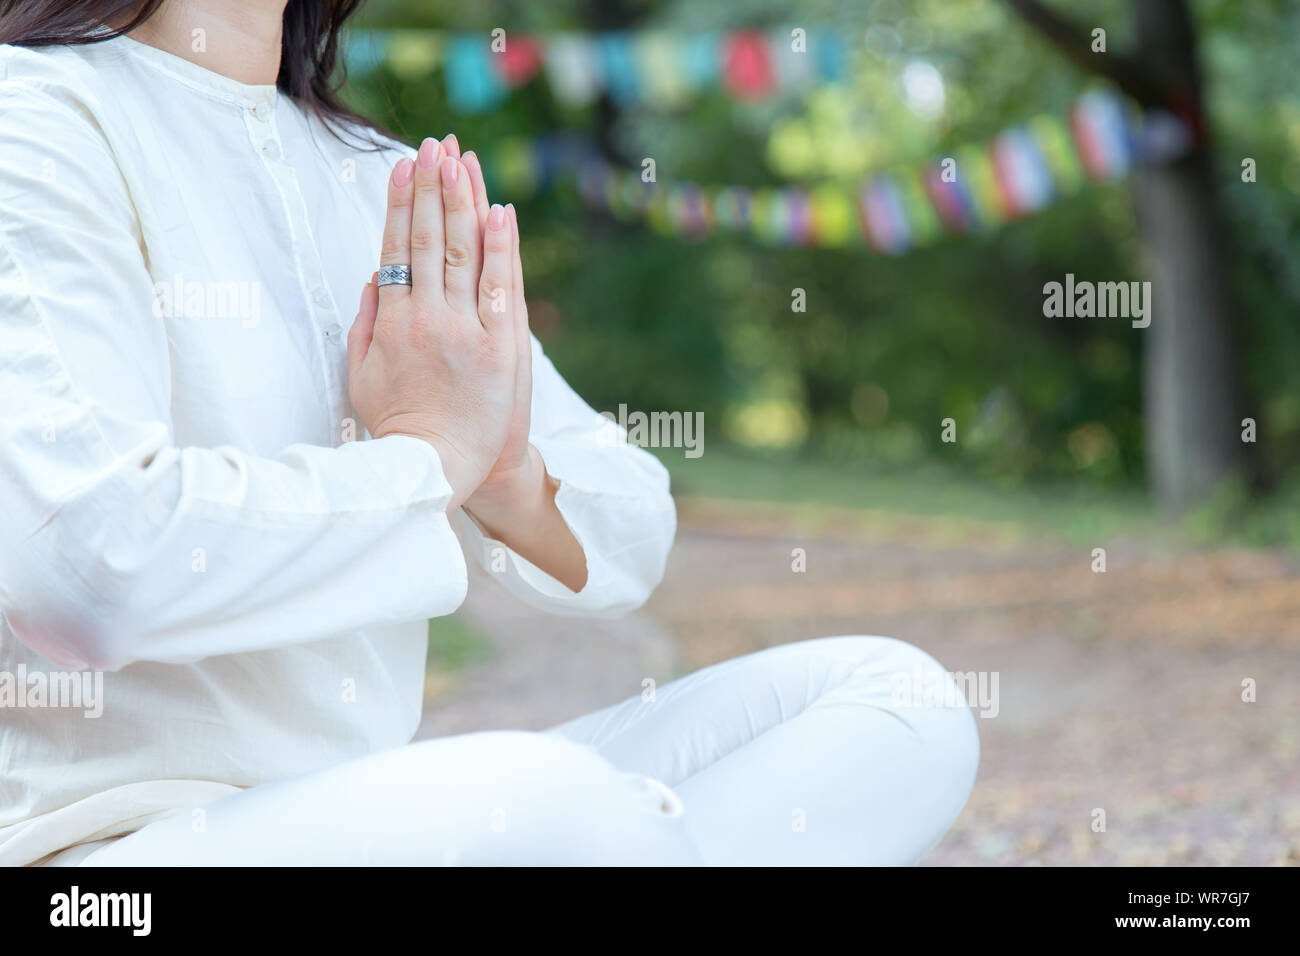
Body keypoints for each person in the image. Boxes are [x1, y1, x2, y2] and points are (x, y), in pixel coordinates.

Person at [0, 0, 978, 866]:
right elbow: (87, 570)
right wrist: (426, 458)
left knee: (899, 700)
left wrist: (500, 466)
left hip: (398, 818)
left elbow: (629, 526)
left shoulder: (384, 181)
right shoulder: (34, 116)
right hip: (118, 850)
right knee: (563, 808)